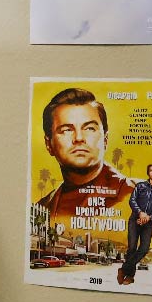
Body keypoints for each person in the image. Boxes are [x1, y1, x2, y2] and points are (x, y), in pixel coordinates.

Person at [36, 87, 134, 224]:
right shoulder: (41, 208)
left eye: (89, 128)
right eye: (66, 130)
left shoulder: (133, 194)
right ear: (49, 144)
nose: (79, 138)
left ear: (105, 139)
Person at [120, 164, 152, 285]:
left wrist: (149, 217)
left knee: (144, 249)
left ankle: (123, 269)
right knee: (132, 248)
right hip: (135, 220)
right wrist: (140, 213)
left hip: (148, 223)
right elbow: (132, 200)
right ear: (148, 173)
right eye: (150, 171)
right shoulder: (140, 186)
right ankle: (130, 277)